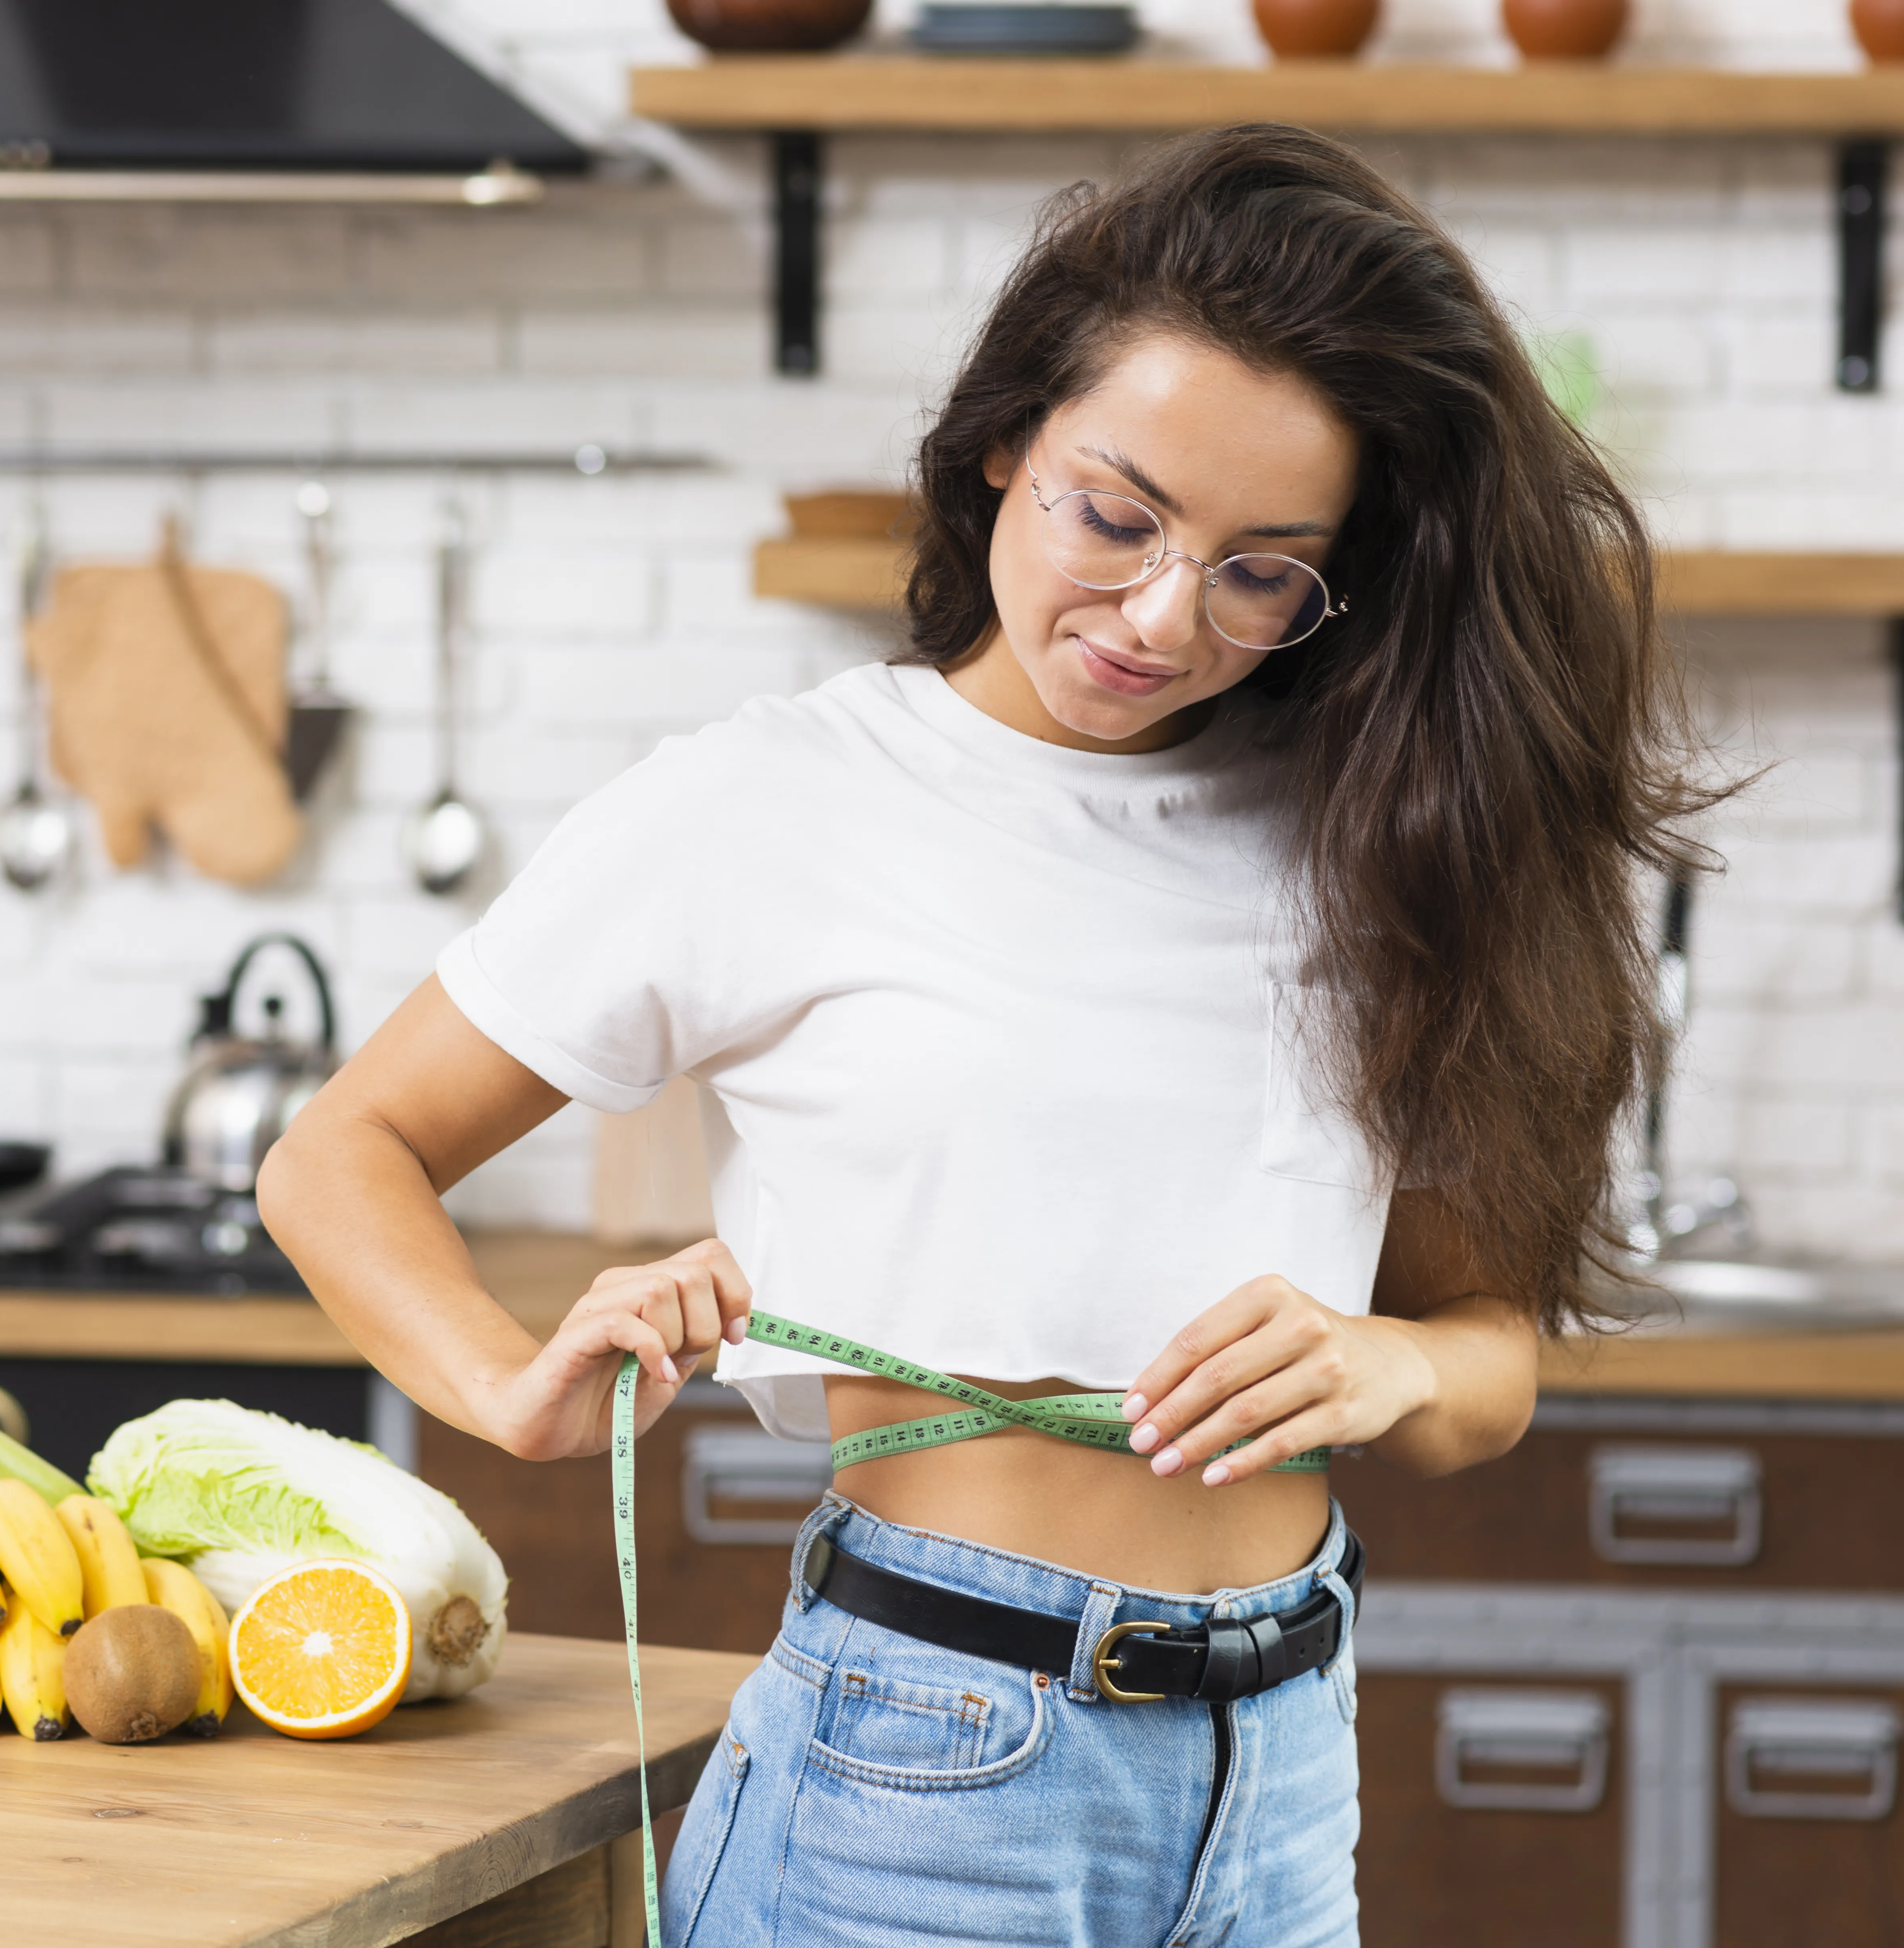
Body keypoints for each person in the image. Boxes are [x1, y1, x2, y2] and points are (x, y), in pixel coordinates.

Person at [258, 123, 1712, 1947]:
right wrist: (498, 1386)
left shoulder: (1377, 831)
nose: (1164, 618)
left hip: (1284, 1771)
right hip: (929, 1776)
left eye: (1264, 571)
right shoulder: (775, 801)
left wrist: (1390, 1370)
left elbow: (1485, 1347)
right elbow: (340, 1153)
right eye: (1120, 516)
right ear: (1008, 440)